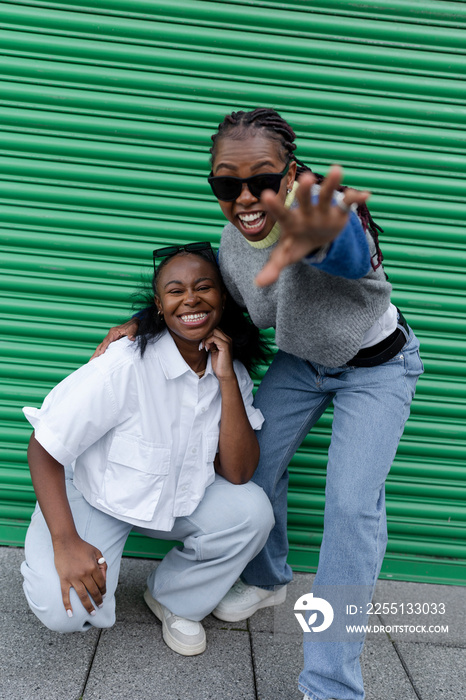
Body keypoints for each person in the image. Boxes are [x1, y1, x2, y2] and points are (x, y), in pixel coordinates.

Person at [94, 109, 424, 700]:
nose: (246, 197)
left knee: (351, 511)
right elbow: (209, 296)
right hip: (303, 364)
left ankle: (332, 685)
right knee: (249, 469)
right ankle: (269, 578)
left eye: (264, 181)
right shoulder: (232, 242)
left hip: (376, 368)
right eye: (227, 183)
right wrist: (144, 322)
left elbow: (346, 254)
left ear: (292, 173)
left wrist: (331, 233)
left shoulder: (329, 220)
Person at [20, 244, 274, 658]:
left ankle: (174, 599)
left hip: (176, 493)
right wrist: (65, 541)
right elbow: (43, 448)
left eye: (203, 287)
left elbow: (240, 471)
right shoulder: (125, 364)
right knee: (64, 612)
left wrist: (226, 379)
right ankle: (45, 552)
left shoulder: (231, 371)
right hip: (94, 493)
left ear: (223, 299)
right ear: (159, 306)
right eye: (176, 291)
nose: (191, 298)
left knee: (252, 512)